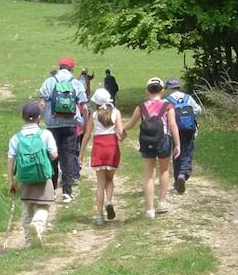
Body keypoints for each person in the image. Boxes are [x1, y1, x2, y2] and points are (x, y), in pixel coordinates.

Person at [123, 77, 180, 218]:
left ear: (147, 91)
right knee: (164, 171)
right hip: (164, 140)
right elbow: (172, 125)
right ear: (162, 90)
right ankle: (162, 202)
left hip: (146, 142)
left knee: (148, 175)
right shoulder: (168, 106)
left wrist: (119, 131)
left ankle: (149, 209)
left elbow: (130, 124)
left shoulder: (141, 107)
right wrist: (177, 144)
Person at [7, 103, 58, 248]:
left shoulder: (16, 138)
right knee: (43, 206)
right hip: (43, 178)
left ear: (22, 117)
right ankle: (38, 224)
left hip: (24, 180)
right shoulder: (45, 134)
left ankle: (29, 242)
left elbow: (11, 159)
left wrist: (11, 181)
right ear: (39, 118)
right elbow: (54, 155)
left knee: (27, 211)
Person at [39, 58, 88, 203]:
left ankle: (52, 190)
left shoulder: (49, 81)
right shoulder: (76, 82)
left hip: (52, 125)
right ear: (72, 68)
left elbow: (42, 103)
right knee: (67, 156)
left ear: (59, 67)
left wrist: (39, 119)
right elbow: (84, 107)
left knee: (52, 157)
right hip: (70, 125)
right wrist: (84, 124)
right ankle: (67, 192)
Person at [79, 88, 125, 225]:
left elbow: (87, 135)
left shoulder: (93, 115)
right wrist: (123, 137)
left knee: (100, 184)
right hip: (111, 146)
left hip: (99, 147)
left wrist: (81, 153)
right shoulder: (116, 113)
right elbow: (120, 132)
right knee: (110, 180)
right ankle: (109, 201)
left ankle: (99, 216)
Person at [164, 78, 202, 194]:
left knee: (176, 153)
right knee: (187, 152)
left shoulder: (167, 100)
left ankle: (177, 178)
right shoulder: (188, 97)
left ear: (169, 89)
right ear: (178, 87)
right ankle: (183, 174)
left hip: (174, 131)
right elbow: (198, 110)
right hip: (189, 129)